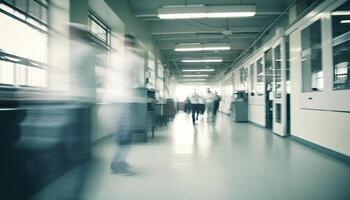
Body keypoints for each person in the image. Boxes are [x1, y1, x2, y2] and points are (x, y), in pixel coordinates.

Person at [110, 34, 144, 175]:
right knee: (124, 134)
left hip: (123, 100)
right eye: (126, 43)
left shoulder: (118, 57)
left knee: (124, 134)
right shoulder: (127, 58)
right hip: (121, 101)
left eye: (129, 43)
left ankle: (119, 162)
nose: (128, 46)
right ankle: (117, 164)